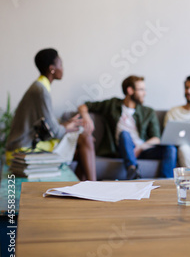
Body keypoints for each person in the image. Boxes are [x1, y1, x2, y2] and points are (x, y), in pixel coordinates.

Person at [6, 48, 96, 181]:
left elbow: (47, 126)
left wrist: (66, 125)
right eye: (61, 64)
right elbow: (54, 132)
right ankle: (93, 185)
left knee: (83, 149)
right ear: (52, 69)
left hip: (29, 144)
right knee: (85, 139)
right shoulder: (41, 91)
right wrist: (68, 127)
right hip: (24, 148)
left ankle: (85, 188)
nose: (63, 68)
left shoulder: (40, 87)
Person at [78, 75, 177, 179]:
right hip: (122, 149)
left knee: (170, 149)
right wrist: (86, 117)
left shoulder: (148, 112)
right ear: (130, 90)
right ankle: (133, 171)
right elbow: (84, 106)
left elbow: (156, 138)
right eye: (141, 90)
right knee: (125, 134)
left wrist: (140, 147)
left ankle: (166, 181)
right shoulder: (112, 104)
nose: (145, 93)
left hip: (143, 149)